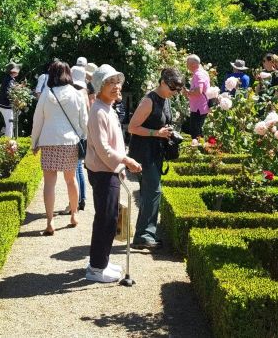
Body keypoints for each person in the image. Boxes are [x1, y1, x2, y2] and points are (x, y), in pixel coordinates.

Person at [84, 64, 142, 283]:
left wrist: (119, 167)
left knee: (108, 218)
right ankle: (96, 268)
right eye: (110, 82)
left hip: (109, 170)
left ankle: (102, 262)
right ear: (99, 87)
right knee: (106, 219)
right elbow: (103, 148)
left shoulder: (106, 107)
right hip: (103, 172)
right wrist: (125, 161)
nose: (117, 86)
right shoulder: (98, 110)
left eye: (118, 82)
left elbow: (112, 145)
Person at [127, 67, 184, 250]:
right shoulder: (148, 101)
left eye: (177, 90)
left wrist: (168, 133)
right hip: (144, 153)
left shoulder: (165, 98)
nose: (175, 93)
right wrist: (156, 133)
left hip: (156, 150)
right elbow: (132, 128)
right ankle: (144, 235)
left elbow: (161, 123)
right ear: (162, 82)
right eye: (173, 88)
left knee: (150, 193)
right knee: (153, 192)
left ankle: (143, 235)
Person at [31, 61, 88, 235]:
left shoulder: (46, 94)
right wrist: (83, 137)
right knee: (71, 180)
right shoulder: (77, 94)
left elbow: (37, 121)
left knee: (49, 183)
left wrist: (34, 142)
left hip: (49, 141)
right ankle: (74, 214)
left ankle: (50, 222)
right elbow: (83, 121)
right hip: (70, 142)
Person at [67, 65, 90, 212]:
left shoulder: (71, 93)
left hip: (73, 135)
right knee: (79, 168)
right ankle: (82, 199)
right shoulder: (84, 92)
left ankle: (73, 203)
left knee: (74, 170)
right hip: (82, 134)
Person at [185, 55, 211, 138]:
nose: (186, 66)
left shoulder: (198, 74)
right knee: (199, 130)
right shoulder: (203, 72)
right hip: (201, 106)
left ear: (193, 64)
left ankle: (196, 149)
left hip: (198, 107)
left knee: (195, 132)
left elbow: (199, 91)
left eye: (187, 64)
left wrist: (188, 92)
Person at [0, 63, 20, 139]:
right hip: (5, 105)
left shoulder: (9, 79)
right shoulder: (9, 80)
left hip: (4, 105)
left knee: (10, 123)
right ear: (12, 71)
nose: (18, 71)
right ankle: (8, 142)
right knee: (10, 123)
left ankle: (8, 139)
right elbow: (8, 93)